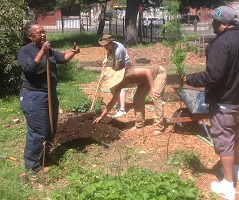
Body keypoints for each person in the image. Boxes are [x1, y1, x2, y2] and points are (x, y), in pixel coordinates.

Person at [182, 6, 239, 200]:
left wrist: (190, 79)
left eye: (215, 22)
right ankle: (237, 169)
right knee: (233, 136)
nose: (213, 25)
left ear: (224, 24)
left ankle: (228, 186)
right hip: (238, 99)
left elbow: (213, 75)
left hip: (224, 100)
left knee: (224, 141)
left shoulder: (221, 43)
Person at [18, 21, 80, 174]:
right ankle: (32, 166)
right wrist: (41, 53)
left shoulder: (48, 50)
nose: (43, 34)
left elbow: (62, 58)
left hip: (49, 94)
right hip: (33, 96)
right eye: (39, 32)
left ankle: (44, 155)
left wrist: (73, 52)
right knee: (38, 130)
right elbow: (29, 69)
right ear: (30, 36)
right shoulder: (25, 51)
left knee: (50, 128)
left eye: (44, 31)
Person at [93, 63, 166, 136]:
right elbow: (113, 101)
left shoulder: (128, 74)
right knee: (137, 100)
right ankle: (139, 124)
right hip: (144, 80)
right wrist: (102, 116)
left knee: (156, 98)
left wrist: (152, 87)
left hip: (157, 73)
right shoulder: (119, 85)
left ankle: (158, 127)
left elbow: (147, 71)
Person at [98, 34, 130, 118]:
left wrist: (110, 74)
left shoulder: (117, 50)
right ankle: (119, 103)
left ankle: (122, 110)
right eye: (103, 45)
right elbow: (108, 51)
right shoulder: (110, 46)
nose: (105, 47)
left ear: (111, 42)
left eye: (106, 45)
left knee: (119, 85)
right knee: (112, 85)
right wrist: (106, 58)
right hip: (117, 65)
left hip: (124, 66)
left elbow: (116, 66)